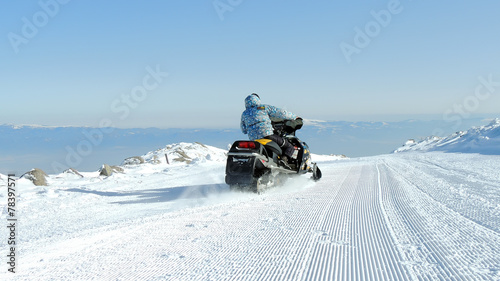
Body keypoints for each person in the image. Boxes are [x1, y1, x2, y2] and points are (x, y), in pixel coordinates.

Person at [240, 93, 299, 167]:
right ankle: (283, 161)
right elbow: (280, 113)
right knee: (289, 146)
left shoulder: (244, 113)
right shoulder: (263, 107)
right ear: (257, 100)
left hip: (254, 140)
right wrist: (294, 117)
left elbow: (244, 130)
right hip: (267, 135)